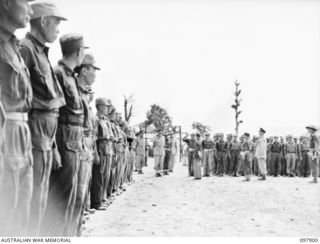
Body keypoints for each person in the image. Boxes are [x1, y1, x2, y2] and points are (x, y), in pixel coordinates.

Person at [19, 0, 67, 236]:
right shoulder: (26, 49)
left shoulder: (41, 52)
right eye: (56, 22)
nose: (58, 29)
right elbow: (22, 99)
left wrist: (55, 145)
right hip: (33, 135)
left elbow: (52, 107)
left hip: (47, 138)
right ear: (44, 21)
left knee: (41, 197)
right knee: (31, 200)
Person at [41, 33, 87, 236]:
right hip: (64, 139)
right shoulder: (58, 73)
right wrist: (54, 148)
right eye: (83, 50)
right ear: (78, 52)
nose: (83, 53)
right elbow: (53, 114)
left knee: (72, 198)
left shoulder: (70, 75)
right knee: (60, 200)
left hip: (74, 142)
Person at [0, 0, 34, 236]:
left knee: (23, 206)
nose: (30, 10)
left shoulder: (14, 45)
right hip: (6, 131)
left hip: (22, 131)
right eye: (26, 3)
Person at [69, 53, 100, 236]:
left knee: (82, 187)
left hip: (84, 144)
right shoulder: (74, 90)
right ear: (83, 70)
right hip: (76, 142)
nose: (95, 74)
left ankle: (78, 223)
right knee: (77, 188)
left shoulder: (81, 93)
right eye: (93, 70)